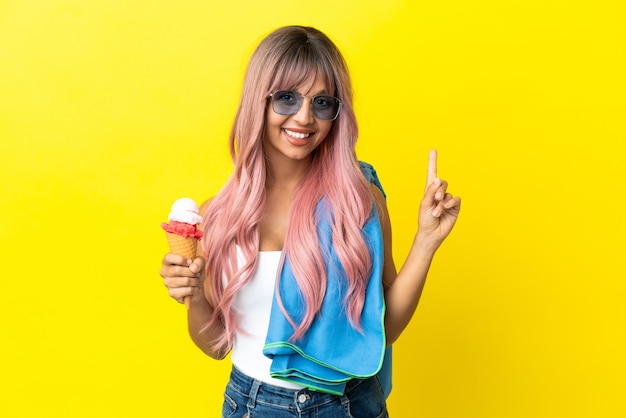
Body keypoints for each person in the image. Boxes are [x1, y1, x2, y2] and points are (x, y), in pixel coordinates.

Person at [160, 25, 460, 417]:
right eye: (286, 98)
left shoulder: (359, 199)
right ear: (259, 102)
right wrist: (195, 297)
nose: (304, 117)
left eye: (322, 103)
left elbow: (386, 332)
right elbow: (216, 347)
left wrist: (426, 241)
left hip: (350, 405)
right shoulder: (220, 215)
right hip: (252, 406)